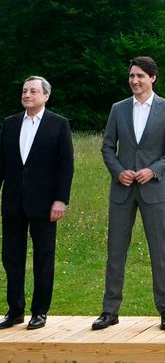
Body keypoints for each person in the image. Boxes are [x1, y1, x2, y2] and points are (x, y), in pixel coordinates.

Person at [93, 56, 165, 331]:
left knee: (160, 252)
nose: (134, 81)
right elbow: (108, 147)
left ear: (153, 78)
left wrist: (153, 170)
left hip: (153, 190)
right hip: (121, 190)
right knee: (116, 251)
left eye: (140, 76)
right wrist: (118, 171)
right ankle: (110, 311)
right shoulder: (118, 109)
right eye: (132, 76)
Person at [0, 76, 74, 330]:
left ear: (45, 96)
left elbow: (66, 166)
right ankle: (15, 310)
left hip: (45, 204)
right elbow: (2, 165)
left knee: (43, 256)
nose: (27, 94)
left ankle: (40, 311)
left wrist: (61, 200)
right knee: (11, 257)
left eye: (33, 91)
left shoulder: (58, 124)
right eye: (24, 90)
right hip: (13, 202)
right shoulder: (9, 125)